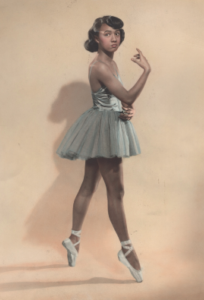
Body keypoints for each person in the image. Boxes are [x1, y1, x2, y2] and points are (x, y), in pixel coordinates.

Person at [56, 15, 151, 283]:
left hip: (105, 124)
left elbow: (115, 99)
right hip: (104, 130)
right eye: (108, 33)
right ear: (96, 37)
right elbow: (128, 95)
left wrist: (125, 110)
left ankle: (74, 239)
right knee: (116, 191)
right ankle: (127, 250)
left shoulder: (111, 62)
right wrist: (146, 71)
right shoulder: (99, 65)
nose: (114, 38)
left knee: (88, 185)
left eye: (117, 33)